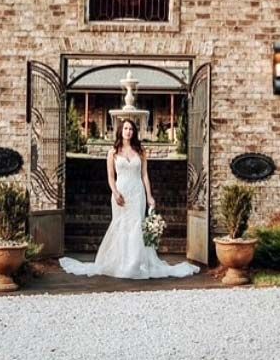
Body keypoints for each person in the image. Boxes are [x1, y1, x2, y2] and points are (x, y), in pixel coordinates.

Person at [58, 118, 200, 279]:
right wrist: (115, 192)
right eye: (126, 128)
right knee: (121, 225)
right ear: (121, 130)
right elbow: (111, 177)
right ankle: (120, 262)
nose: (128, 131)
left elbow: (145, 175)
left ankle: (134, 263)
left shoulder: (140, 151)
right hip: (121, 193)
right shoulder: (112, 152)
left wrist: (149, 196)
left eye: (131, 129)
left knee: (136, 227)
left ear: (134, 132)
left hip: (137, 192)